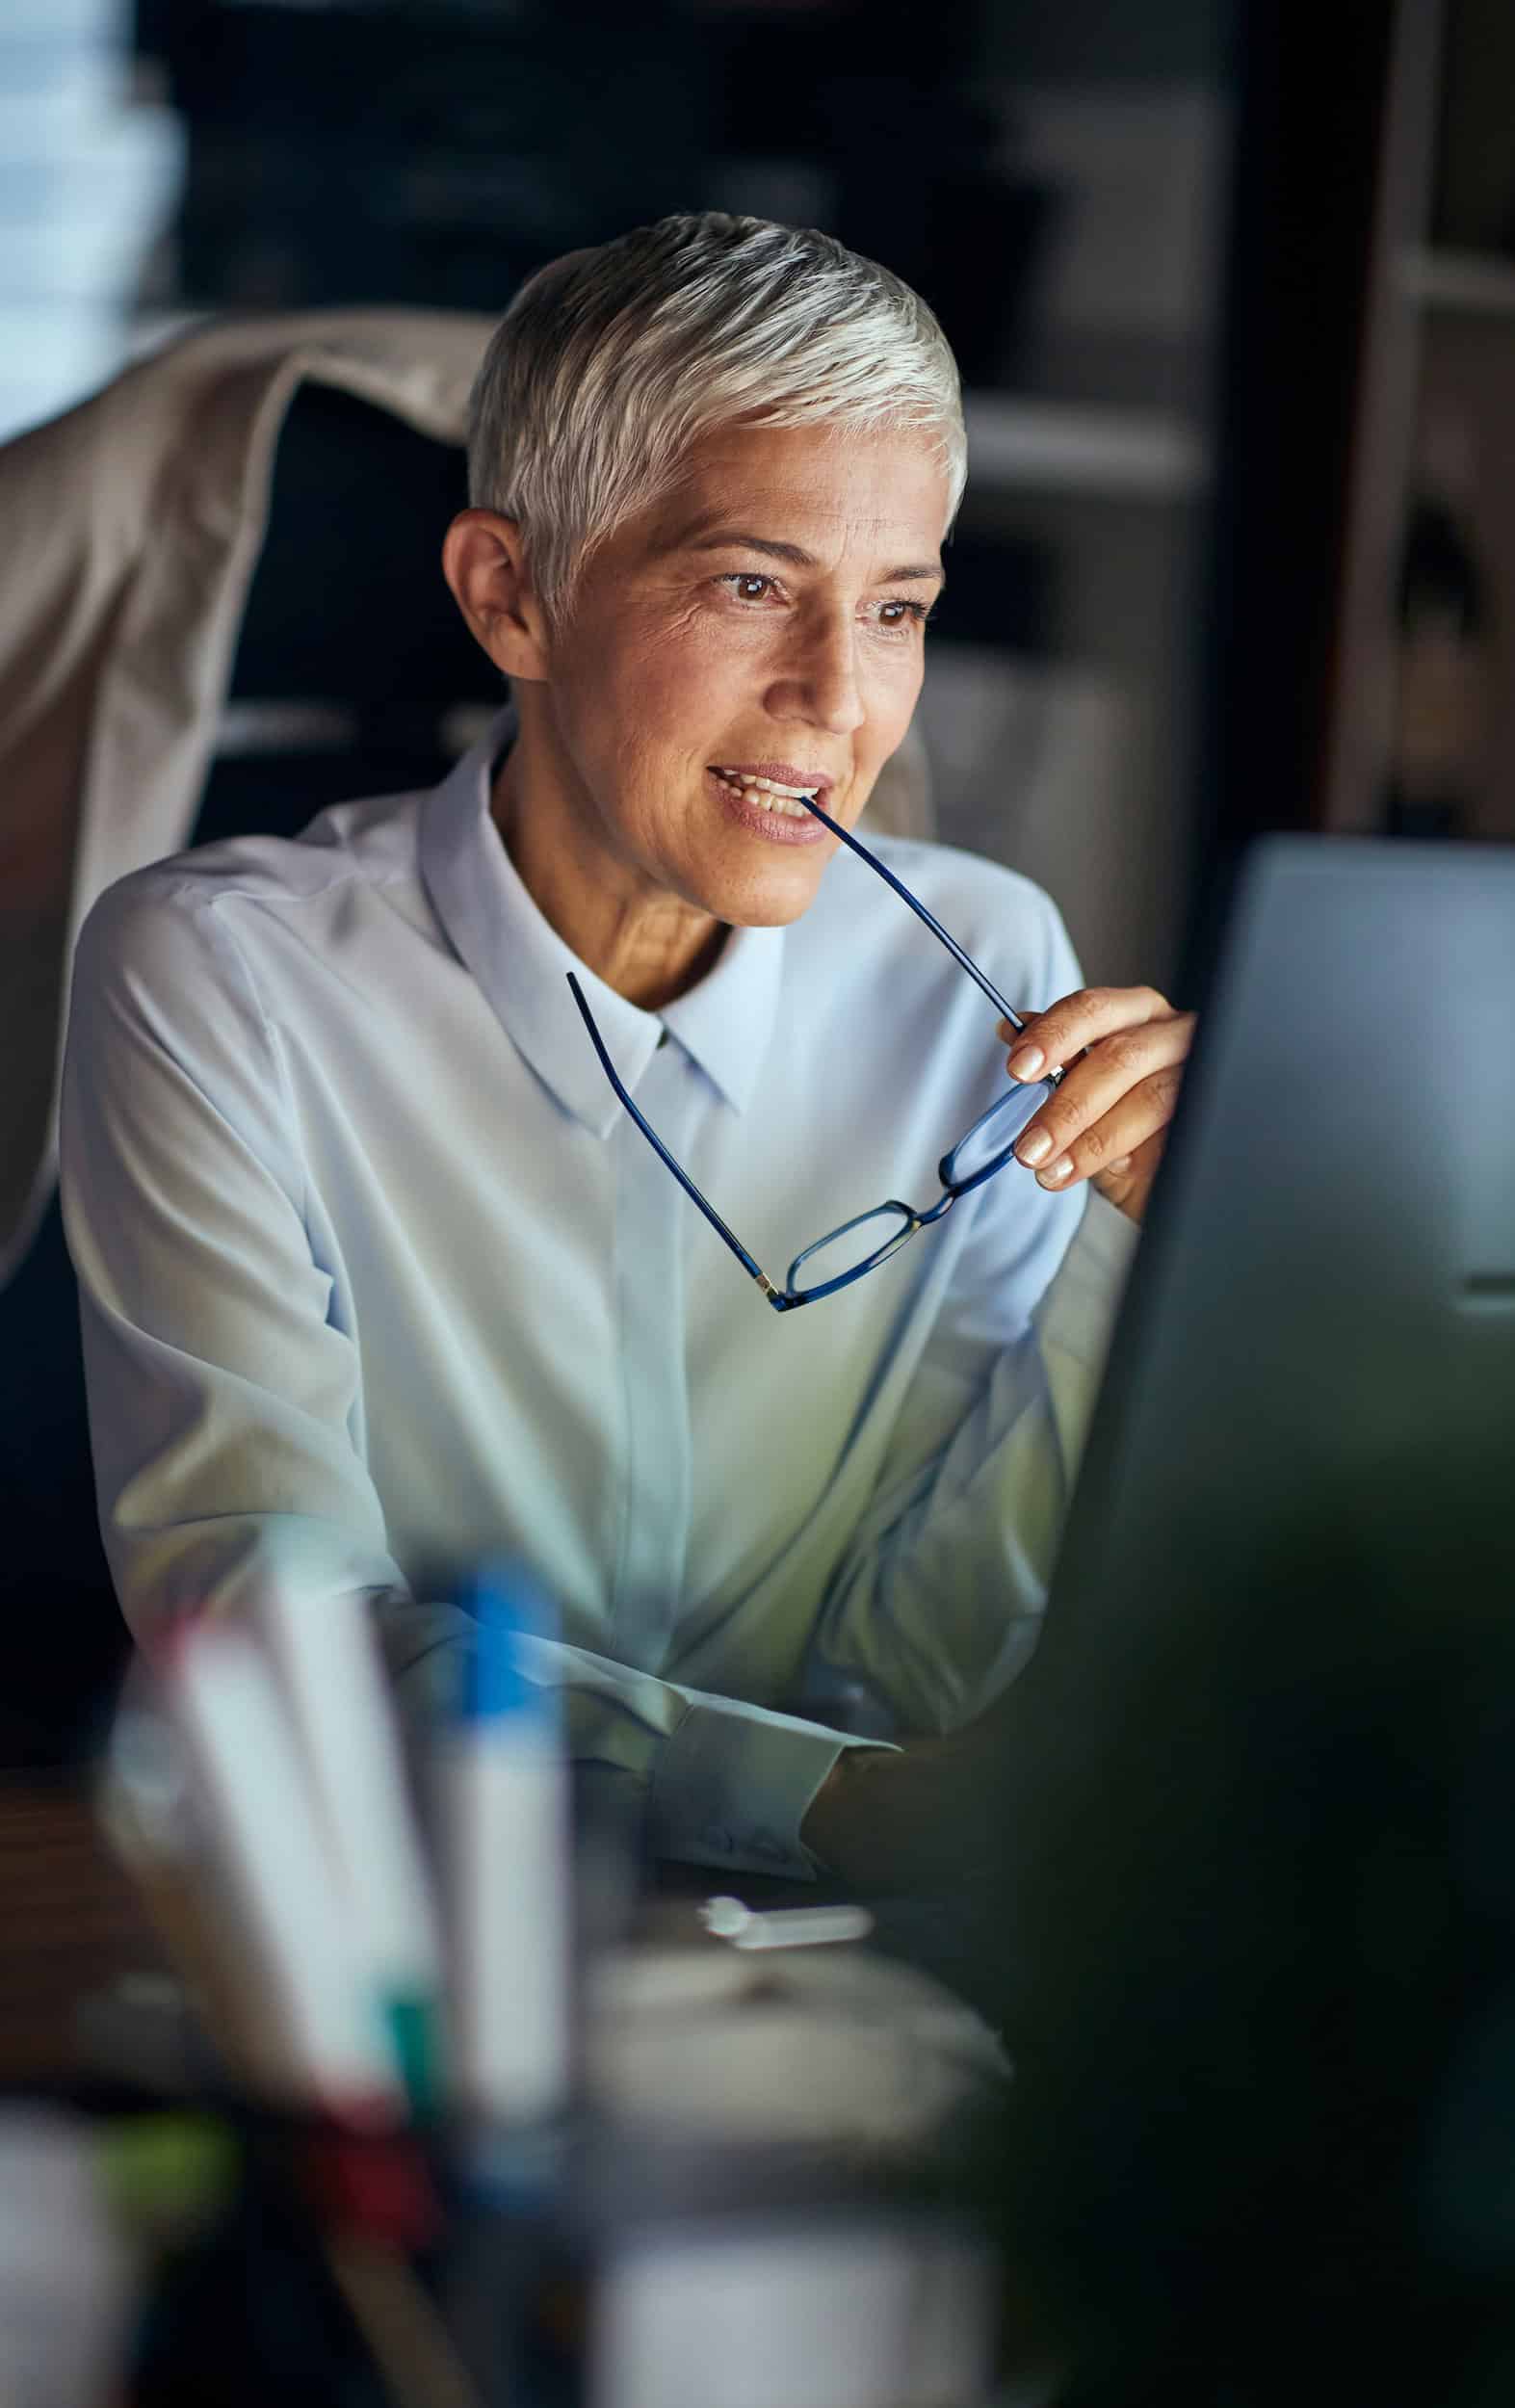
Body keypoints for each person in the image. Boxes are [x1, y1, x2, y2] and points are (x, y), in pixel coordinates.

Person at [60, 213, 1193, 1885]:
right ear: (510, 595)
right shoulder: (220, 978)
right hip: (388, 1923)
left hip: (828, 1954)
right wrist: (824, 1801)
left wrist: (1141, 1262)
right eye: (752, 586)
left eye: (895, 610)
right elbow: (275, 1651)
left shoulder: (992, 965)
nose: (838, 702)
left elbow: (914, 1661)